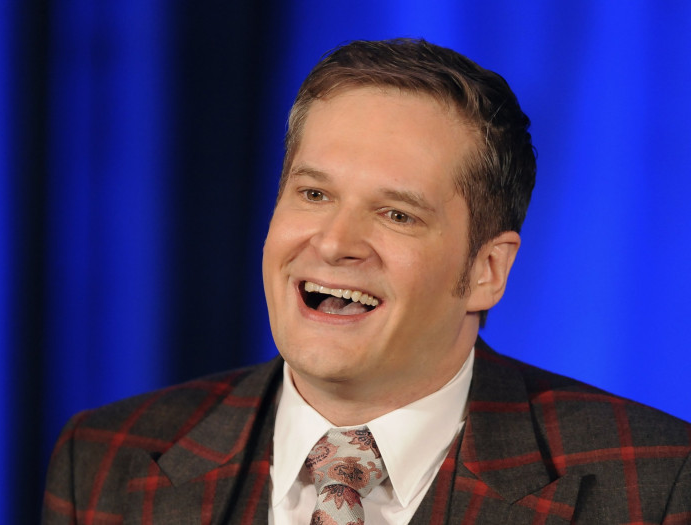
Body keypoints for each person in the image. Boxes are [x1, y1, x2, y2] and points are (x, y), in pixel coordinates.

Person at [42, 39, 691, 524]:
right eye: (314, 193)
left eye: (396, 213)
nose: (333, 242)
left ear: (487, 271)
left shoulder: (655, 484)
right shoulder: (105, 459)